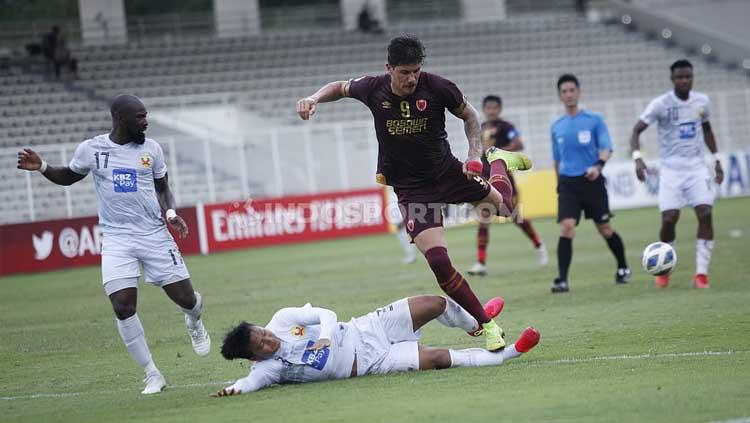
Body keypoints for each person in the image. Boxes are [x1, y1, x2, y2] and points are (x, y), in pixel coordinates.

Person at [295, 35, 532, 351]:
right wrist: (313, 97)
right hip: (412, 189)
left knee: (505, 208)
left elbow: (470, 116)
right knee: (438, 260)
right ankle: (488, 327)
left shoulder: (437, 86)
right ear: (389, 68)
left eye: (416, 71)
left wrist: (476, 153)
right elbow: (340, 87)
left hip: (449, 172)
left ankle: (498, 159)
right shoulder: (372, 88)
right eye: (405, 72)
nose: (411, 78)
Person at [15, 94, 210, 394]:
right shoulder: (92, 149)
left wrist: (170, 212)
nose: (145, 122)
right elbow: (69, 175)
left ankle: (194, 320)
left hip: (154, 235)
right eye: (140, 117)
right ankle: (152, 373)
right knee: (122, 306)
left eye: (146, 116)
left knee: (186, 300)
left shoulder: (152, 149)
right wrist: (43, 167)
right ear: (120, 119)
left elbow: (163, 188)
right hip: (117, 238)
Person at [212, 295, 540, 397]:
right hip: (374, 362)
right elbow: (250, 382)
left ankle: (475, 324)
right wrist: (235, 389)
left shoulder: (282, 319)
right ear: (255, 356)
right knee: (439, 358)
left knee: (434, 303)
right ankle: (510, 353)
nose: (270, 338)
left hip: (367, 327)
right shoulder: (268, 370)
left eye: (263, 332)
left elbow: (325, 313)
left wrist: (326, 334)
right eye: (263, 343)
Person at [630, 60, 724, 289]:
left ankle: (701, 274)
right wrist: (637, 158)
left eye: (688, 76)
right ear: (672, 79)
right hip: (671, 170)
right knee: (669, 219)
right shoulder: (661, 104)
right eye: (680, 77)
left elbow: (707, 129)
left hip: (696, 167)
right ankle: (663, 270)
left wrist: (717, 160)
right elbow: (636, 130)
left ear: (692, 78)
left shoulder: (702, 102)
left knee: (705, 213)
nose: (684, 80)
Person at [550, 74, 631, 293]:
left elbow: (607, 148)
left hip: (592, 181)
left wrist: (598, 166)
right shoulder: (556, 126)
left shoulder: (595, 120)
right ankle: (562, 280)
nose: (568, 94)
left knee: (604, 229)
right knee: (566, 227)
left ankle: (623, 267)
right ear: (560, 96)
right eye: (564, 91)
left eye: (571, 90)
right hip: (568, 184)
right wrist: (559, 184)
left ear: (579, 92)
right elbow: (557, 159)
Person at [467, 95, 548, 277]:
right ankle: (481, 262)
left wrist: (501, 153)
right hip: (486, 178)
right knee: (483, 217)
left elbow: (519, 143)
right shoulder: (480, 129)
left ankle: (538, 244)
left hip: (504, 177)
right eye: (488, 108)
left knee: (514, 215)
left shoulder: (505, 127)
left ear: (499, 109)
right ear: (484, 109)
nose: (491, 111)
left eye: (494, 108)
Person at [386, 186, 417, 264]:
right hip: (399, 214)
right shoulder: (391, 193)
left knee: (404, 234)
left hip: (403, 213)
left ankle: (411, 255)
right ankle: (410, 255)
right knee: (402, 234)